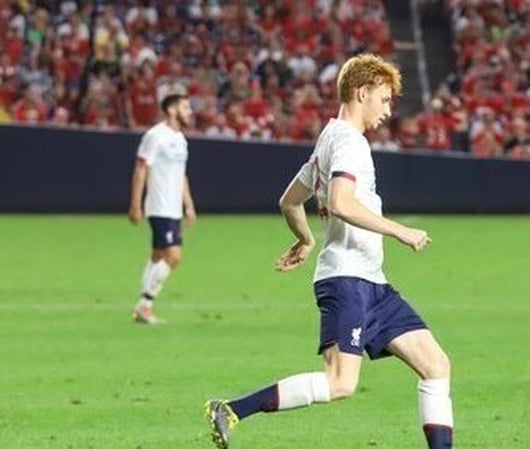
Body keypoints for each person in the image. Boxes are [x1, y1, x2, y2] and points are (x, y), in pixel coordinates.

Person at [204, 53, 453, 448]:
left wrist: (306, 240)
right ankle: (231, 409)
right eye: (384, 99)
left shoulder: (328, 140)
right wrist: (400, 231)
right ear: (362, 93)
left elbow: (290, 201)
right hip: (347, 280)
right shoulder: (349, 143)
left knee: (436, 365)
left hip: (372, 282)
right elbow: (340, 202)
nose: (388, 110)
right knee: (340, 383)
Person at [128, 93, 196, 324]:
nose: (189, 112)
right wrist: (136, 204)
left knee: (158, 255)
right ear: (171, 110)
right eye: (185, 108)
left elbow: (181, 175)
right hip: (159, 205)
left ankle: (142, 306)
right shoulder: (155, 136)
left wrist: (189, 205)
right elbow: (141, 170)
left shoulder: (181, 139)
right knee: (173, 256)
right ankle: (145, 305)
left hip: (174, 207)